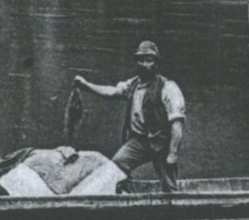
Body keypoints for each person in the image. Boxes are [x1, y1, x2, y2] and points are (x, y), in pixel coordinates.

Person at [74, 40, 187, 192]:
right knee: (117, 166)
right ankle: (129, 197)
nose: (145, 64)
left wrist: (173, 153)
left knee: (169, 186)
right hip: (139, 141)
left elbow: (177, 125)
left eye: (149, 60)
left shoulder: (168, 88)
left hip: (162, 142)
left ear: (156, 63)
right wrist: (86, 85)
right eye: (141, 60)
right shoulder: (132, 84)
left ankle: (173, 208)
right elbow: (111, 92)